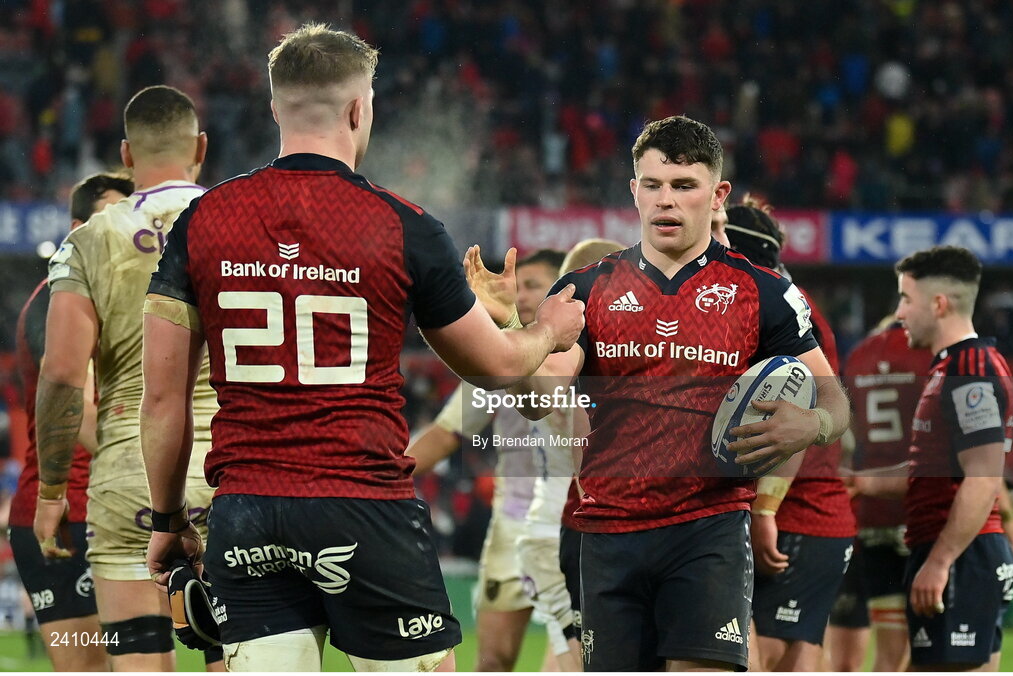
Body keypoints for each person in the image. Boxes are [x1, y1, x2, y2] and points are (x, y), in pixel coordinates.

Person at [139, 23, 583, 673]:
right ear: (358, 107)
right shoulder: (401, 225)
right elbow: (501, 366)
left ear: (274, 108)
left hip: (248, 508)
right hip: (362, 503)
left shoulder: (205, 221)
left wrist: (164, 519)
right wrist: (549, 329)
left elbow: (161, 397)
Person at [497, 115, 850, 671]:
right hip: (609, 531)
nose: (667, 201)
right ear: (633, 190)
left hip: (709, 531)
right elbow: (539, 399)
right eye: (654, 185)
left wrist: (815, 425)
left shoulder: (765, 293)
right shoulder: (586, 289)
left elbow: (833, 400)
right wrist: (510, 338)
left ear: (717, 194)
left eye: (684, 186)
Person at [36, 86, 221, 671]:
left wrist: (49, 492)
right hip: (232, 464)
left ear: (126, 152)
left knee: (136, 663)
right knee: (237, 657)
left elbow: (64, 374)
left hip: (127, 470)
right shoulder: (245, 222)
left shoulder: (88, 240)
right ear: (201, 147)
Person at [459, 238, 625, 672]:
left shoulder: (549, 347)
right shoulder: (566, 351)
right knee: (585, 661)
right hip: (565, 525)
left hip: (556, 525)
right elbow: (553, 412)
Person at [407, 248, 571, 672]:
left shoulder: (588, 355)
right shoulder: (496, 359)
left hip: (572, 524)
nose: (522, 292)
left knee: (572, 658)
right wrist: (377, 473)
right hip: (512, 528)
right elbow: (445, 435)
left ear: (562, 290)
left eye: (534, 285)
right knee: (492, 661)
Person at [8, 171, 133, 672]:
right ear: (78, 228)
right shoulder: (55, 301)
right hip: (67, 517)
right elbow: (76, 407)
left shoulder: (119, 299)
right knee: (90, 670)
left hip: (114, 508)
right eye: (110, 217)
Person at [724, 200, 857, 671]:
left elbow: (792, 414)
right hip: (808, 514)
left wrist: (765, 510)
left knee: (760, 660)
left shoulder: (777, 307)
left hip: (798, 513)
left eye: (720, 238)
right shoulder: (791, 303)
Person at [894, 246, 1013, 671]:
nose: (899, 313)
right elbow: (938, 466)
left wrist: (940, 561)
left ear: (939, 304)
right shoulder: (950, 367)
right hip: (957, 552)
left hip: (963, 557)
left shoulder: (971, 369)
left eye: (906, 299)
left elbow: (983, 479)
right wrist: (864, 481)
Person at [831, 316, 932, 671]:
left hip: (870, 514)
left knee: (888, 653)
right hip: (922, 513)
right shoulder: (931, 353)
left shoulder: (859, 356)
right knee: (933, 649)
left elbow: (848, 433)